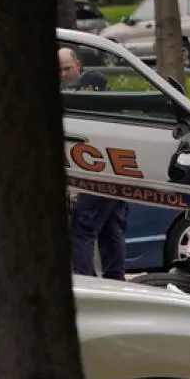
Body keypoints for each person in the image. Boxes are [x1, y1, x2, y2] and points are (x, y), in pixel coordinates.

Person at [65, 59, 129, 281]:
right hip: (119, 178)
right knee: (111, 230)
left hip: (98, 177)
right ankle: (115, 279)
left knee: (82, 231)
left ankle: (84, 281)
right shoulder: (116, 108)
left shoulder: (92, 109)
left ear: (90, 89)